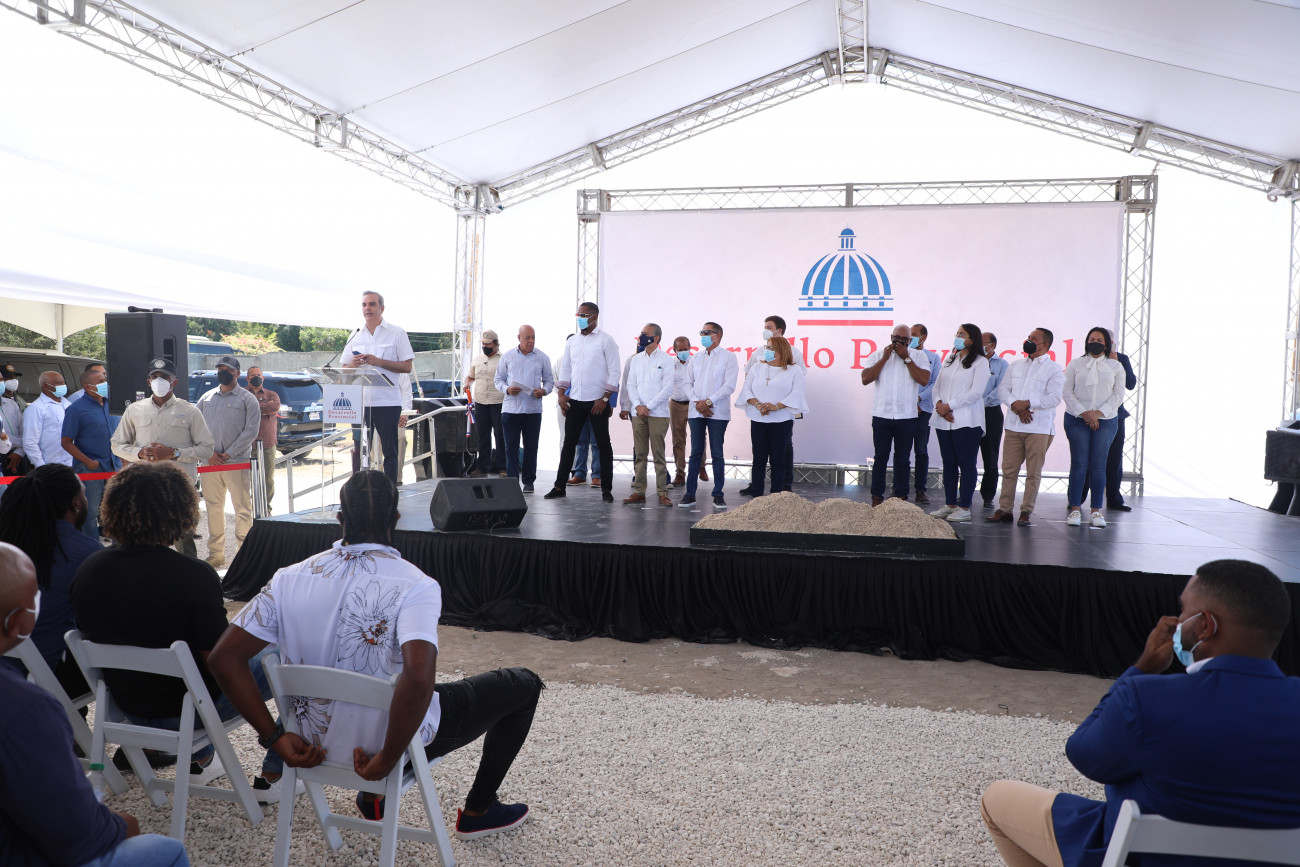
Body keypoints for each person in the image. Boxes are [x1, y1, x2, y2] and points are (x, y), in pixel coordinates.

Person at [209, 471, 543, 839]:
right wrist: (386, 758)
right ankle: (480, 810)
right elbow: (419, 675)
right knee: (523, 685)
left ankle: (374, 798)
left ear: (340, 519)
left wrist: (275, 738)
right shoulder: (416, 585)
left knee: (388, 682)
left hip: (309, 744)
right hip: (385, 749)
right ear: (396, 519)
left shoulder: (289, 578)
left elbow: (223, 659)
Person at [981, 559, 1300, 867]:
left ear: (1205, 625)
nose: (1178, 620)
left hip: (1142, 856)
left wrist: (1142, 668)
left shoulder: (1148, 698)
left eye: (1183, 610)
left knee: (997, 798)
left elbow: (1082, 752)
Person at [73, 462, 291, 802]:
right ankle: (279, 766)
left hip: (128, 709)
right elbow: (221, 665)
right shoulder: (193, 575)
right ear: (181, 510)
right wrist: (271, 734)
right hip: (190, 712)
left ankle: (200, 759)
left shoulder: (89, 569)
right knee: (290, 652)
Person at [0, 542, 192, 867]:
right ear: (17, 620)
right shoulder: (24, 708)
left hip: (127, 699)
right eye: (35, 596)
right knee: (164, 851)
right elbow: (77, 837)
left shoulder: (92, 568)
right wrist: (121, 826)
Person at [0, 464, 99, 698]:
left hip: (11, 670)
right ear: (75, 503)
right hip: (45, 678)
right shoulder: (86, 554)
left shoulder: (9, 540)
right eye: (84, 494)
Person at [110, 358, 215, 558]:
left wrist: (174, 453)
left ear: (174, 381)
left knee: (183, 537)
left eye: (164, 377)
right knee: (144, 535)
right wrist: (139, 453)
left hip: (179, 486)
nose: (159, 380)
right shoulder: (135, 409)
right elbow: (117, 444)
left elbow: (207, 448)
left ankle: (189, 574)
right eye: (155, 376)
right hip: (144, 485)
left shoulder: (189, 411)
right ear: (148, 381)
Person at [546, 302, 621, 503]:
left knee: (603, 444)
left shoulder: (606, 340)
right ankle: (559, 486)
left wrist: (605, 399)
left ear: (594, 317)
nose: (579, 318)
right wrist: (561, 394)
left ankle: (606, 489)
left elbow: (615, 372)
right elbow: (565, 370)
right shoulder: (572, 341)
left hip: (597, 402)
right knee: (569, 444)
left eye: (584, 315)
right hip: (575, 400)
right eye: (578, 315)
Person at [990, 329, 1064, 527]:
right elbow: (1003, 390)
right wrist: (1016, 405)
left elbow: (1054, 398)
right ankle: (1004, 509)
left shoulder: (1054, 369)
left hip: (1039, 428)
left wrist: (1028, 403)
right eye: (1028, 338)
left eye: (1033, 339)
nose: (1028, 341)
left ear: (1045, 344)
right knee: (1009, 470)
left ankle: (1026, 511)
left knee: (1033, 473)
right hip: (1013, 425)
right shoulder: (1015, 365)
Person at [344, 291, 415, 486]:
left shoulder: (397, 333)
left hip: (387, 402)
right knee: (362, 452)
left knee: (390, 452)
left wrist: (379, 362)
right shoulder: (355, 335)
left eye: (372, 304)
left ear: (381, 308)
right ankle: (361, 490)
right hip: (361, 404)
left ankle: (390, 490)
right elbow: (344, 370)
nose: (367, 308)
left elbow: (407, 366)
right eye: (364, 305)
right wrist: (353, 365)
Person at [195, 356, 260, 568]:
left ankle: (243, 556)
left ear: (237, 373)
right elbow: (196, 427)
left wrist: (229, 454)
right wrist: (209, 453)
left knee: (242, 508)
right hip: (209, 463)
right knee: (213, 507)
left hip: (236, 462)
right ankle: (216, 554)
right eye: (220, 369)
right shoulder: (206, 398)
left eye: (227, 370)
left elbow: (251, 430)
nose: (222, 373)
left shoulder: (248, 399)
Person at [1061, 327, 1127, 529]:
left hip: (1106, 419)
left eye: (1099, 340)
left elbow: (1118, 395)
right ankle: (1075, 508)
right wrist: (1085, 413)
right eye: (1091, 339)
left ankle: (1096, 511)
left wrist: (1098, 413)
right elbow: (1067, 391)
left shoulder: (1116, 366)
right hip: (1077, 418)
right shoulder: (1076, 363)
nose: (1095, 342)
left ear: (1106, 344)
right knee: (1079, 463)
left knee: (1099, 465)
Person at [860, 324, 932, 506]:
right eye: (896, 339)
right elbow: (866, 379)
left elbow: (924, 379)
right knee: (880, 458)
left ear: (910, 341)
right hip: (882, 415)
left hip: (906, 416)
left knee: (902, 459)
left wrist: (906, 358)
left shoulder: (918, 356)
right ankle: (877, 497)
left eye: (904, 340)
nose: (899, 342)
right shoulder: (878, 355)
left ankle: (901, 497)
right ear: (891, 337)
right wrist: (885, 358)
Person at [929, 323, 991, 523]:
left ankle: (964, 507)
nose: (957, 336)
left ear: (972, 339)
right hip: (944, 420)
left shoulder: (980, 362)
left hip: (966, 421)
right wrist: (940, 404)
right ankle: (950, 504)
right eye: (957, 333)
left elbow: (976, 393)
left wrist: (950, 406)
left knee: (966, 463)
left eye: (962, 334)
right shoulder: (951, 358)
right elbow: (937, 386)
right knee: (948, 463)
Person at [741, 315, 806, 496]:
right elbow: (746, 388)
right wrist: (759, 405)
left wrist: (775, 406)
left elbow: (797, 391)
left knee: (779, 457)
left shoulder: (794, 364)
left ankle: (780, 492)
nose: (766, 351)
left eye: (769, 327)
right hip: (758, 417)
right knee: (759, 458)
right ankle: (756, 492)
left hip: (782, 418)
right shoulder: (757, 364)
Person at [680, 321, 740, 510]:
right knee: (695, 453)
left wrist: (708, 402)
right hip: (696, 410)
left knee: (717, 453)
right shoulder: (696, 358)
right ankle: (690, 494)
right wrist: (698, 403)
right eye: (702, 332)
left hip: (718, 412)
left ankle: (718, 494)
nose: (703, 335)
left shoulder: (729, 357)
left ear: (718, 335)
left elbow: (729, 386)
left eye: (707, 332)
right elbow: (687, 383)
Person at [1080, 330, 1137, 512]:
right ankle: (1077, 498)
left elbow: (1131, 384)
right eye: (1094, 340)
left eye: (1104, 341)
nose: (1098, 343)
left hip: (1114, 415)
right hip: (1089, 415)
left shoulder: (1121, 359)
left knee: (1114, 458)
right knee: (1086, 457)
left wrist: (1117, 362)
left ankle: (1114, 498)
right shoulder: (1084, 360)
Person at [60, 367, 120, 540]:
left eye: (105, 380)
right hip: (91, 469)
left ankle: (118, 548)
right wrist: (88, 461)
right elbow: (66, 442)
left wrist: (122, 461)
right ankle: (92, 549)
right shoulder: (76, 409)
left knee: (115, 509)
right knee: (90, 512)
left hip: (113, 466)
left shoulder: (111, 405)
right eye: (100, 381)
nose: (105, 384)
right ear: (87, 386)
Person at [494, 325, 554, 493]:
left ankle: (528, 481)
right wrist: (507, 389)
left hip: (532, 410)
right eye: (527, 337)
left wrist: (544, 391)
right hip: (511, 409)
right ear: (518, 338)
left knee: (531, 447)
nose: (531, 341)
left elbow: (549, 382)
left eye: (533, 337)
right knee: (510, 447)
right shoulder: (508, 356)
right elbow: (498, 380)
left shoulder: (542, 357)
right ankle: (512, 482)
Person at [623, 324, 674, 507]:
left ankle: (662, 493)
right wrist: (637, 406)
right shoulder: (636, 359)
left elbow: (667, 388)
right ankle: (639, 492)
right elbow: (631, 385)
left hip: (658, 413)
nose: (641, 336)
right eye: (641, 333)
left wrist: (648, 406)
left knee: (658, 454)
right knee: (640, 454)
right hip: (638, 413)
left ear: (656, 338)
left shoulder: (666, 359)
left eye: (645, 334)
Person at [909, 324, 943, 504]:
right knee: (902, 450)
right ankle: (899, 489)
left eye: (914, 334)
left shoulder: (933, 358)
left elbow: (935, 384)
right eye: (910, 334)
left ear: (923, 337)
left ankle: (920, 490)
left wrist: (919, 399)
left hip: (924, 410)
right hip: (904, 411)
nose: (911, 337)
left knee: (921, 450)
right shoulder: (903, 356)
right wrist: (910, 402)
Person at [465, 330, 506, 478]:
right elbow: (470, 377)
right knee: (482, 435)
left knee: (500, 435)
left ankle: (503, 467)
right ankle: (482, 467)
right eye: (483, 344)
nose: (485, 346)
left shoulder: (503, 359)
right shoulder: (477, 359)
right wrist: (467, 383)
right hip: (481, 401)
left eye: (488, 344)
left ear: (495, 344)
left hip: (498, 401)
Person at [978, 333, 1010, 509]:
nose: (980, 346)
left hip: (991, 413)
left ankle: (988, 495)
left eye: (983, 343)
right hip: (970, 413)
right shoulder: (972, 361)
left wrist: (977, 403)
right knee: (966, 456)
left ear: (993, 345)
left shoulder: (1002, 364)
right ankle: (964, 493)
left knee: (990, 456)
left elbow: (1000, 390)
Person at [245, 366, 280, 507]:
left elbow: (274, 407)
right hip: (246, 444)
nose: (256, 377)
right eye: (253, 375)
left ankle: (266, 507)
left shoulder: (272, 394)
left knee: (268, 479)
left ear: (263, 378)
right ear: (247, 378)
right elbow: (240, 409)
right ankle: (249, 508)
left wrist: (251, 408)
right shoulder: (241, 394)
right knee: (246, 479)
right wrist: (263, 407)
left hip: (267, 443)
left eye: (258, 375)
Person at [23, 371, 73, 469]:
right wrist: (41, 466)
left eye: (63, 382)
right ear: (46, 386)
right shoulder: (36, 408)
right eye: (58, 383)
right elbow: (30, 443)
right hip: (51, 466)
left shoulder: (68, 404)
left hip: (72, 464)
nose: (63, 386)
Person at [667, 336, 693, 488]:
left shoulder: (695, 362)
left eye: (686, 349)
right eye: (680, 350)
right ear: (674, 350)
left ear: (690, 348)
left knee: (698, 437)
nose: (683, 352)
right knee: (678, 440)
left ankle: (700, 468)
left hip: (694, 404)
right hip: (676, 404)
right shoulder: (670, 364)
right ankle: (680, 473)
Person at [0, 365, 26, 477]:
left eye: (1, 380)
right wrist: (23, 443)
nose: (1, 383)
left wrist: (19, 452)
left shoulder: (13, 404)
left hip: (18, 456)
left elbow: (23, 430)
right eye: (9, 378)